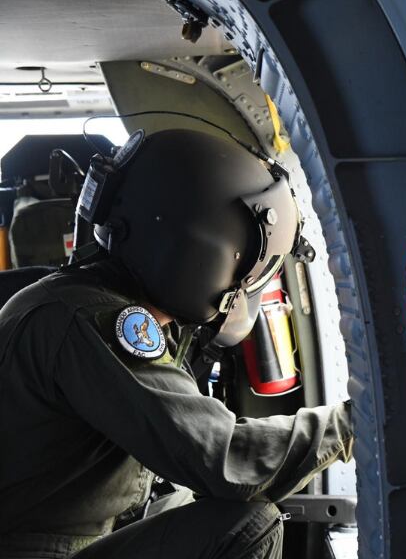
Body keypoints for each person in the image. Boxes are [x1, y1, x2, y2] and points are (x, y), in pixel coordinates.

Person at [0, 129, 354, 559]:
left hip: (59, 535)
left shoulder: (77, 300)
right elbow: (226, 460)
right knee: (245, 526)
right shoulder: (93, 319)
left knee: (185, 502)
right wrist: (351, 425)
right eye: (245, 263)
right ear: (203, 253)